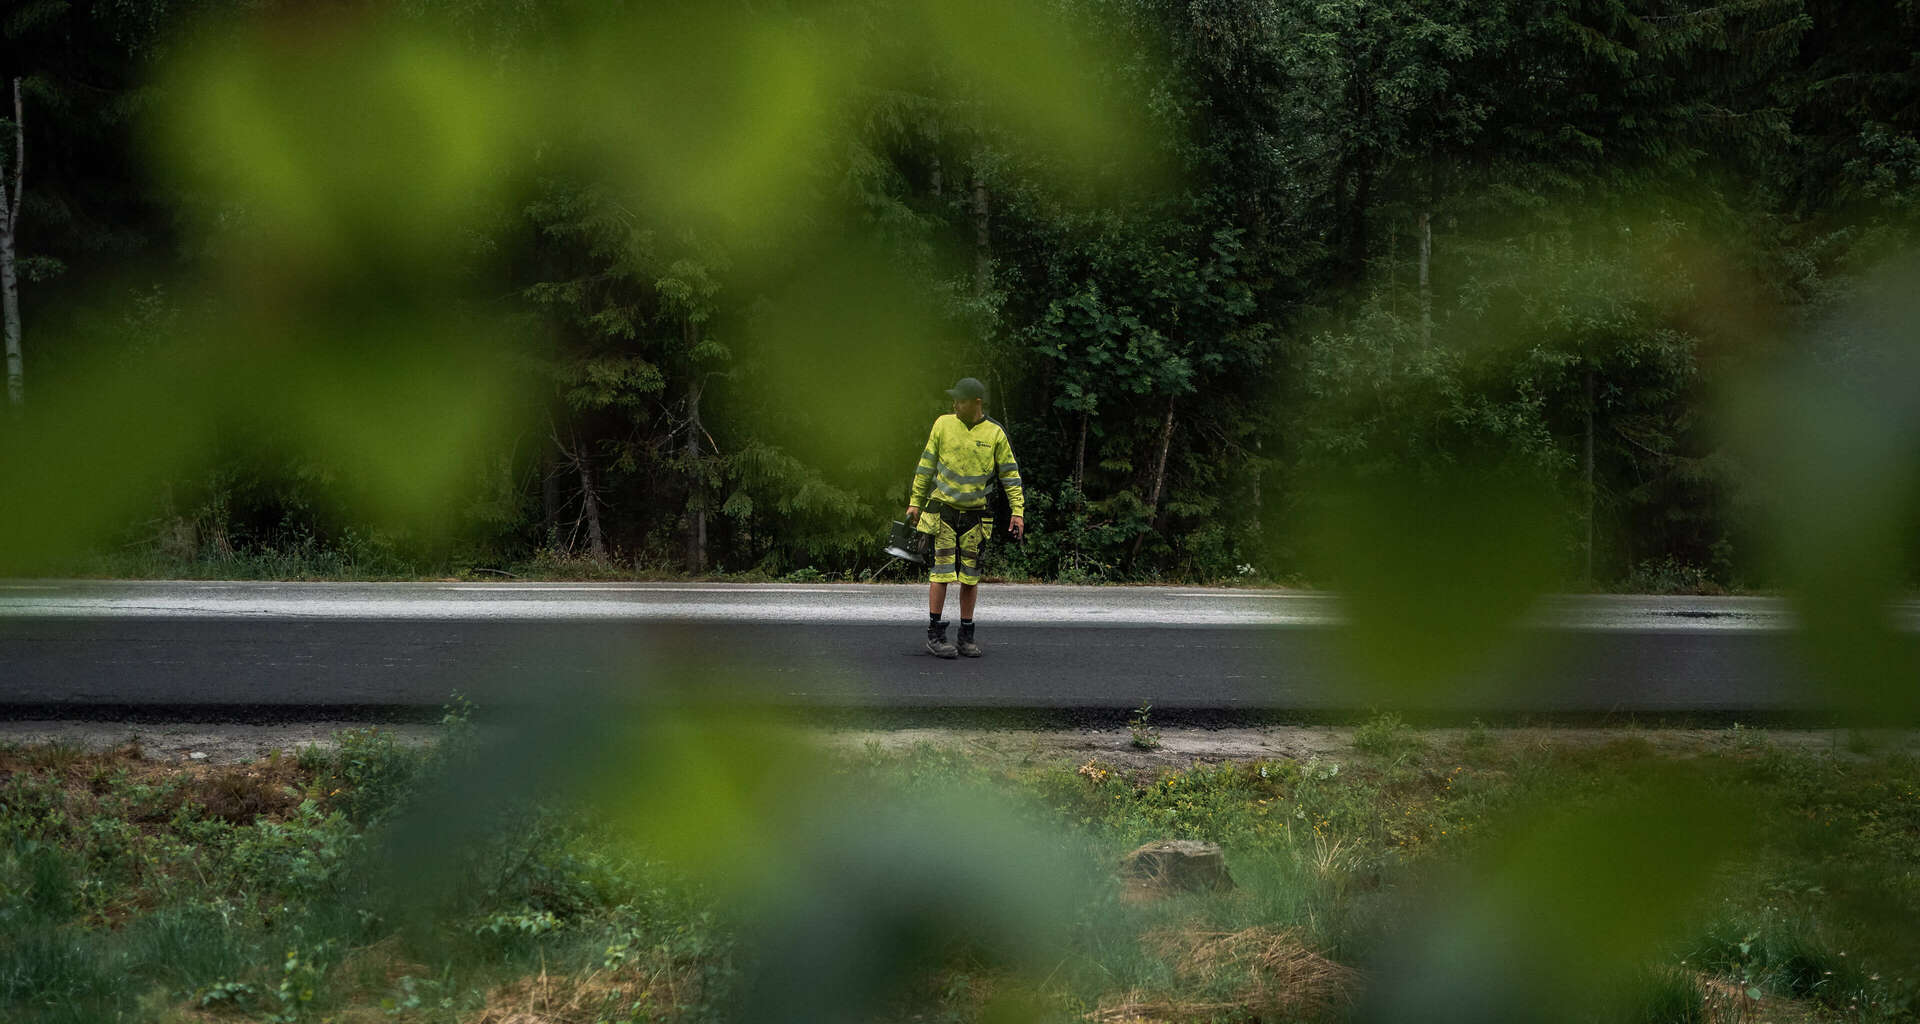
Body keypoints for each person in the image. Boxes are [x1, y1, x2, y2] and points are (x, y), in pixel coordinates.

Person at [906, 377, 1025, 658]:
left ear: (976, 403)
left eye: (960, 400)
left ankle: (966, 636)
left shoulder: (995, 433)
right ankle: (935, 634)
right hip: (943, 510)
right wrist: (915, 502)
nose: (955, 404)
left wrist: (1017, 511)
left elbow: (1010, 475)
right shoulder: (943, 424)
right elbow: (926, 467)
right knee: (942, 572)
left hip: (976, 515)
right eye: (955, 400)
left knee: (970, 576)